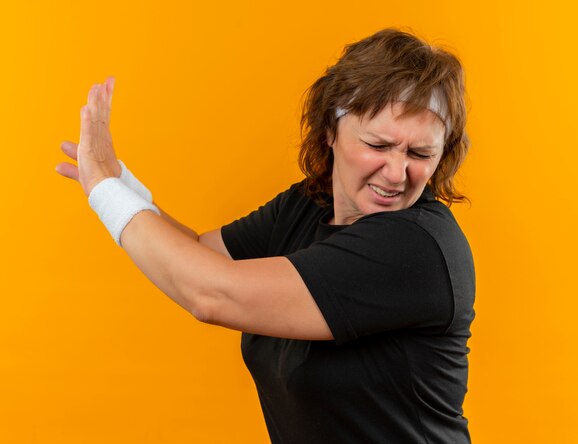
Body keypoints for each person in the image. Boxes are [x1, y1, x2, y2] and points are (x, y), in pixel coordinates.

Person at [56, 28, 475, 443]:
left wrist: (105, 192)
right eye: (378, 145)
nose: (397, 173)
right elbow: (199, 253)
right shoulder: (308, 204)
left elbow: (212, 293)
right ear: (330, 129)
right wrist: (119, 181)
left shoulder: (416, 248)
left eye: (420, 154)